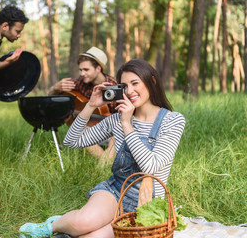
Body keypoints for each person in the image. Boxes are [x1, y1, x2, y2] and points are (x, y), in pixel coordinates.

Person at [19, 59, 186, 238]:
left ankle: (70, 229)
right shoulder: (116, 119)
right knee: (82, 222)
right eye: (124, 86)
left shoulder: (172, 121)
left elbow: (150, 167)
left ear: (152, 81)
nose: (129, 91)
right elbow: (71, 141)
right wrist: (90, 106)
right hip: (115, 191)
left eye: (135, 83)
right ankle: (54, 225)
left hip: (147, 204)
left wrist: (127, 125)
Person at [48, 47, 118, 162]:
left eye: (86, 70)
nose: (82, 73)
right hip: (95, 130)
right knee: (78, 132)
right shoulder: (81, 82)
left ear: (98, 68)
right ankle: (105, 163)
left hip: (115, 131)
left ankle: (104, 164)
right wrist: (55, 88)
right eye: (80, 70)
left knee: (117, 133)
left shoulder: (113, 85)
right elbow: (52, 97)